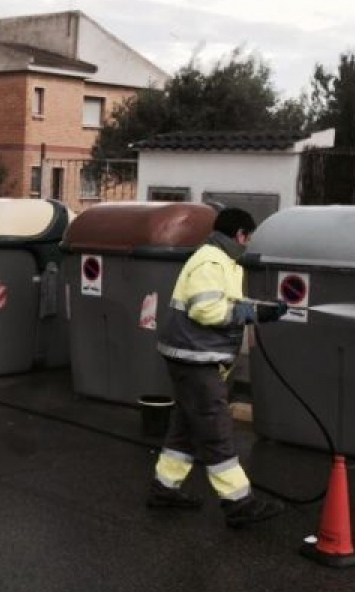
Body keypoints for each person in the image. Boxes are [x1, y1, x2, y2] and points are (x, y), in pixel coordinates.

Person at [146, 207, 289, 528]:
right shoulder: (211, 261)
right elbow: (206, 311)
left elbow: (227, 304)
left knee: (185, 429)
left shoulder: (221, 261)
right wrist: (251, 315)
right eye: (248, 237)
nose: (248, 244)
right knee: (216, 428)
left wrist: (262, 310)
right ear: (240, 234)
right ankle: (239, 503)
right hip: (196, 359)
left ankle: (164, 489)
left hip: (192, 356)